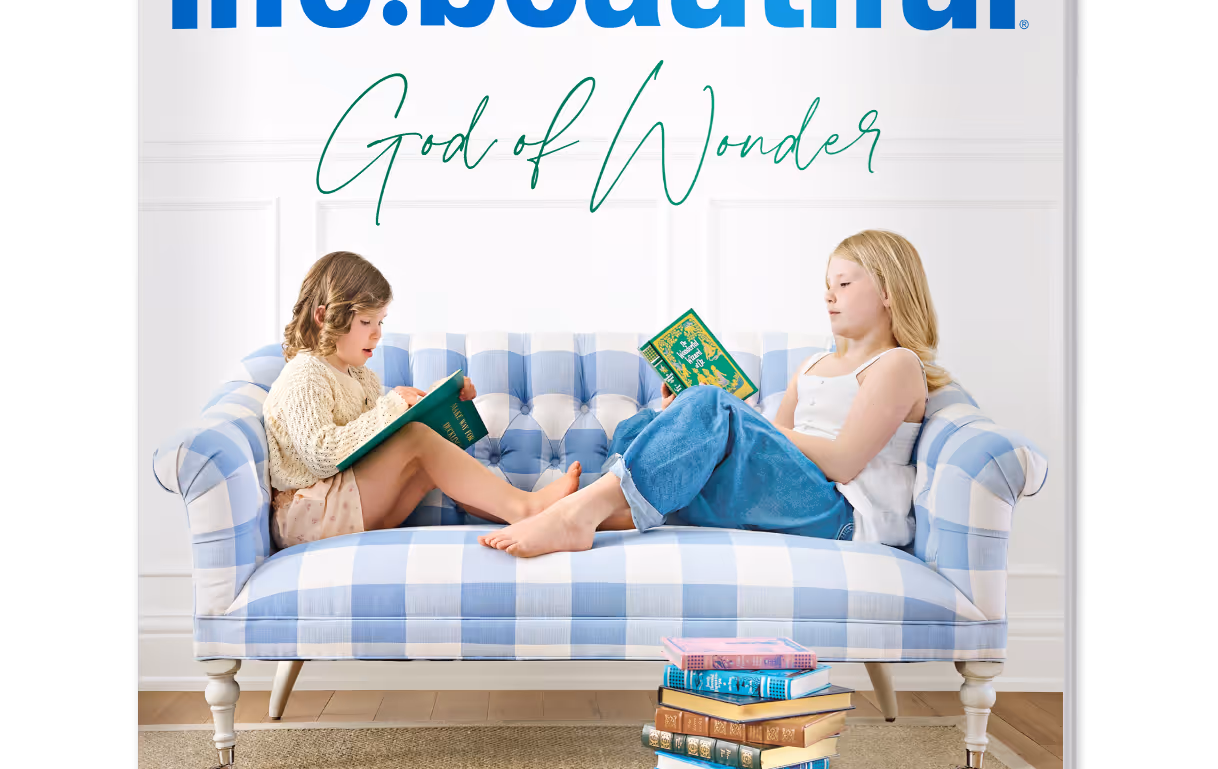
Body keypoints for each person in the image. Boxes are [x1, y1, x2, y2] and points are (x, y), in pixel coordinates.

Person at [478, 229, 950, 558]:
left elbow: (846, 461)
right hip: (793, 493)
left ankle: (575, 514)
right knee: (644, 424)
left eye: (844, 284)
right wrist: (683, 417)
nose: (829, 296)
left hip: (841, 514)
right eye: (827, 286)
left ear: (889, 291)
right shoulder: (812, 365)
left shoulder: (896, 365)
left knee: (709, 402)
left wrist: (734, 415)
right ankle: (602, 514)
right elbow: (775, 444)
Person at [263, 251, 581, 549]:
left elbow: (376, 445)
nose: (377, 334)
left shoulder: (360, 376)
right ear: (323, 317)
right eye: (365, 322)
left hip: (346, 505)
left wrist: (438, 401)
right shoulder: (305, 373)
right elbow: (323, 455)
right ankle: (527, 509)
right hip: (309, 515)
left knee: (425, 453)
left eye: (380, 322)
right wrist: (392, 407)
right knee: (415, 439)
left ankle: (531, 517)